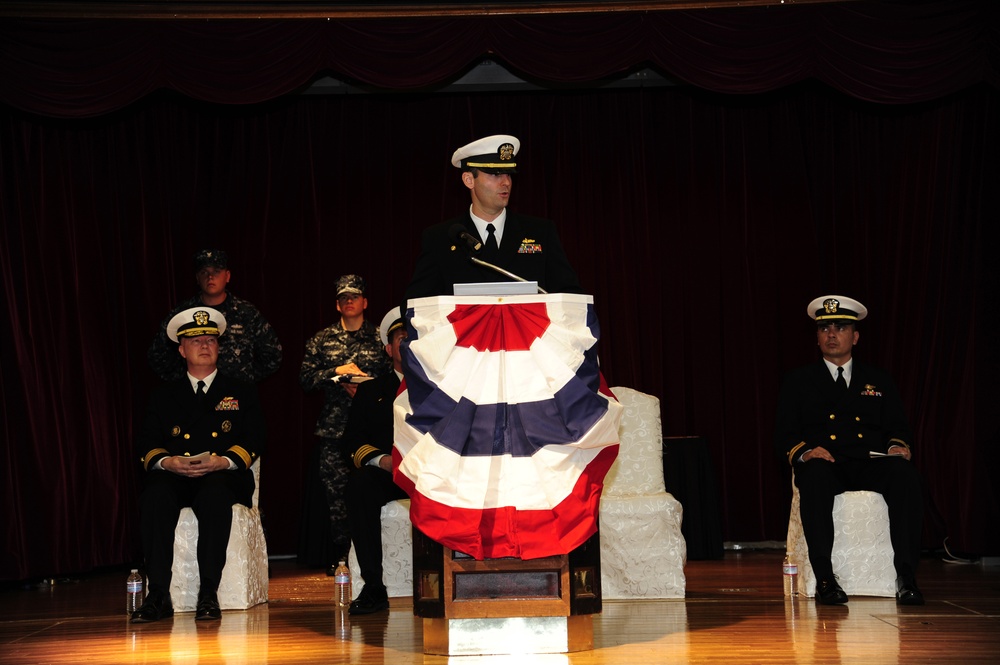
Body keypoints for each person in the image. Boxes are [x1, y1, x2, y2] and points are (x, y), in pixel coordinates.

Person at [774, 295, 924, 606]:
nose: (831, 334)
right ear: (816, 338)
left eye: (840, 328)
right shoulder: (798, 380)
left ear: (854, 337)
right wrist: (806, 451)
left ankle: (907, 577)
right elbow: (784, 434)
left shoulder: (878, 378)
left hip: (869, 461)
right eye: (825, 328)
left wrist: (897, 445)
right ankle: (826, 579)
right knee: (812, 476)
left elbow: (898, 426)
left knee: (905, 475)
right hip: (826, 463)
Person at [132, 307, 266, 623]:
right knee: (155, 495)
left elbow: (256, 438)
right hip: (176, 475)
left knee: (215, 495)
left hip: (222, 474)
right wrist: (168, 461)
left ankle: (208, 594)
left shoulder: (241, 391)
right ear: (181, 349)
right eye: (195, 341)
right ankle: (158, 596)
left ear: (219, 346)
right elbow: (146, 442)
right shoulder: (163, 395)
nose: (204, 345)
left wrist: (225, 461)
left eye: (210, 339)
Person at [404, 134, 582, 301]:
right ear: (469, 180)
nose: (506, 182)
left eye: (508, 174)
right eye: (496, 174)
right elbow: (417, 301)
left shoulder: (541, 232)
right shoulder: (440, 238)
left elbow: (570, 294)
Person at [299, 274, 391, 574]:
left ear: (365, 301)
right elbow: (306, 380)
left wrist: (368, 387)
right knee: (337, 498)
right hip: (335, 430)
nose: (348, 301)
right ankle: (342, 557)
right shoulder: (322, 339)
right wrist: (335, 373)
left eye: (354, 296)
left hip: (374, 432)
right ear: (337, 305)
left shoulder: (382, 337)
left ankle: (377, 556)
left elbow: (397, 378)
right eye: (343, 298)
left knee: (371, 491)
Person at [341, 307, 409, 615]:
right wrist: (382, 461)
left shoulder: (445, 386)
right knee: (359, 485)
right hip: (389, 473)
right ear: (388, 349)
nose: (409, 345)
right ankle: (373, 587)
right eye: (402, 338)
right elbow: (352, 443)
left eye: (416, 338)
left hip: (435, 473)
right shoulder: (371, 390)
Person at [148, 249, 282, 383]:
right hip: (194, 395)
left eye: (216, 271)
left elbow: (272, 354)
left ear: (227, 276)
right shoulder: (182, 313)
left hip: (235, 396)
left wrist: (245, 380)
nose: (210, 277)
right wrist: (183, 382)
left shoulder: (246, 312)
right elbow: (157, 355)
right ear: (197, 278)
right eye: (204, 272)